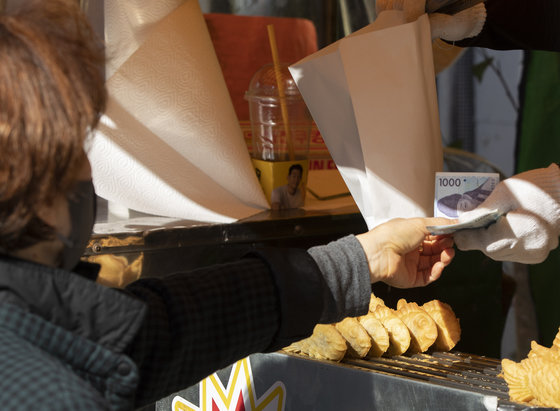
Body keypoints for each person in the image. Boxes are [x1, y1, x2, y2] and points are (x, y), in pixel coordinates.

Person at [0, 1, 455, 410]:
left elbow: (157, 333)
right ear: (36, 178)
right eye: (78, 140)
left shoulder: (43, 324)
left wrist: (360, 259)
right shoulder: (54, 393)